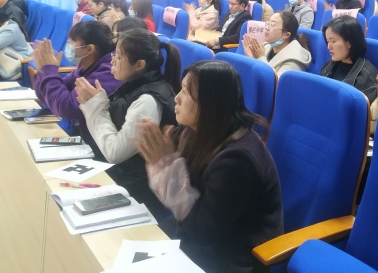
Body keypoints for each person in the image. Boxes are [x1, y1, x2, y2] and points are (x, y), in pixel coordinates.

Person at [137, 60, 283, 273]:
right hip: (201, 236)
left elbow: (203, 233)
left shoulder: (237, 159)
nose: (177, 98)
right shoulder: (195, 130)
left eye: (186, 92)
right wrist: (162, 161)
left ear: (210, 103)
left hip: (234, 257)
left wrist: (166, 169)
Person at [74, 29, 182, 218]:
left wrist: (95, 107)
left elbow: (115, 153)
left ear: (139, 65)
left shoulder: (148, 101)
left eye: (118, 56)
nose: (112, 60)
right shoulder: (137, 85)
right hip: (121, 179)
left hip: (137, 195)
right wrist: (98, 105)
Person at [33, 20, 121, 143]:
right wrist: (43, 70)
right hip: (83, 132)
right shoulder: (85, 65)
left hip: (98, 143)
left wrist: (49, 71)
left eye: (71, 42)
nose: (67, 46)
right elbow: (48, 98)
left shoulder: (109, 72)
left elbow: (66, 107)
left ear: (89, 49)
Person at [319, 15, 378, 102]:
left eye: (333, 41)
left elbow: (362, 109)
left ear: (350, 42)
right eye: (328, 41)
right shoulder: (330, 64)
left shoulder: (366, 76)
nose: (329, 47)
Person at [242, 11, 312, 75]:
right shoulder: (266, 46)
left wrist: (261, 58)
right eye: (268, 23)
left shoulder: (294, 61)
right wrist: (251, 58)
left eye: (272, 25)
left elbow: (276, 83)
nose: (267, 28)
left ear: (286, 35)